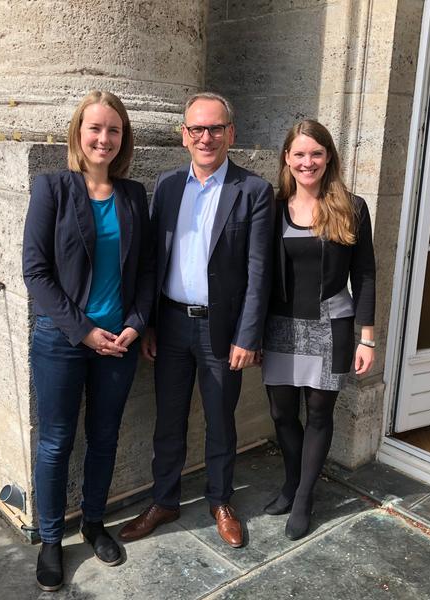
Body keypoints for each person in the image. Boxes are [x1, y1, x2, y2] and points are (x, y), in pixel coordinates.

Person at [118, 92, 274, 548]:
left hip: (222, 331)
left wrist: (248, 335)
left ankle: (221, 499)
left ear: (232, 133)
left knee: (221, 419)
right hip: (169, 326)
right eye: (197, 129)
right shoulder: (166, 186)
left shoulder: (254, 191)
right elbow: (152, 261)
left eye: (216, 128)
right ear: (183, 135)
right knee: (168, 419)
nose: (207, 137)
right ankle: (164, 500)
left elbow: (259, 272)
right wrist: (147, 323)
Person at [22, 90, 154, 591]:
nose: (104, 138)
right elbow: (35, 272)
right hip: (62, 338)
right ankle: (52, 540)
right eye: (95, 128)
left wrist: (135, 323)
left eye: (114, 130)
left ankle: (93, 523)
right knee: (56, 442)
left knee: (104, 437)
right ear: (79, 133)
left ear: (124, 139)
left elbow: (146, 270)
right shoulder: (52, 189)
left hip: (118, 342)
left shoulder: (133, 195)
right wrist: (84, 330)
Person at [261, 120, 375, 540]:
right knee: (281, 413)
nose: (307, 162)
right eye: (299, 154)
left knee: (319, 414)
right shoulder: (272, 208)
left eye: (316, 154)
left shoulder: (353, 207)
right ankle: (292, 481)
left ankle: (305, 496)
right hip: (279, 326)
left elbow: (365, 275)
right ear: (287, 160)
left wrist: (367, 337)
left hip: (332, 326)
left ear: (328, 158)